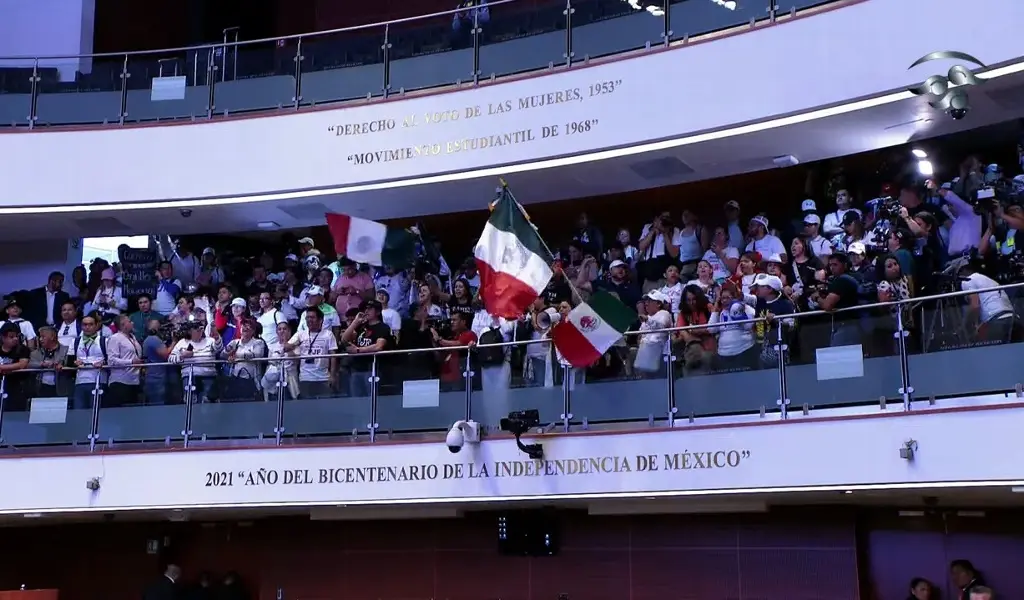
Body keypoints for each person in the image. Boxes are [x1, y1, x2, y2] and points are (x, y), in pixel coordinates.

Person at [284, 306, 338, 398]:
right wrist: (296, 343)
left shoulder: (328, 334)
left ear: (320, 320)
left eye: (312, 317)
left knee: (325, 407)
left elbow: (333, 356)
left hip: (323, 377)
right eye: (307, 317)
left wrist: (332, 376)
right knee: (307, 407)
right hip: (305, 378)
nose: (309, 320)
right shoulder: (301, 334)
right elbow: (286, 348)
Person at [341, 299, 391, 398]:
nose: (366, 311)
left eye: (369, 309)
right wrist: (355, 322)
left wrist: (358, 350)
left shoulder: (383, 327)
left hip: (372, 369)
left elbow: (379, 346)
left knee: (371, 397)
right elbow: (344, 340)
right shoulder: (361, 327)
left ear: (377, 311)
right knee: (356, 399)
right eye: (364, 309)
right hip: (357, 369)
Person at [70, 313, 108, 410]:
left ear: (96, 325)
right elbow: (68, 361)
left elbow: (110, 360)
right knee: (79, 413)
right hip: (80, 382)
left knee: (96, 412)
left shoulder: (105, 341)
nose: (87, 327)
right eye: (85, 325)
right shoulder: (75, 341)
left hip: (99, 381)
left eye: (90, 324)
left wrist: (103, 363)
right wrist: (74, 363)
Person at [105, 314, 144, 407]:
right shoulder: (115, 338)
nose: (132, 323)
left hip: (134, 381)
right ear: (123, 325)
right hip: (120, 382)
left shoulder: (133, 337)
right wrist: (131, 362)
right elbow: (111, 361)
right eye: (130, 321)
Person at [432, 311, 476, 390]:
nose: (451, 322)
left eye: (455, 320)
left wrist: (439, 340)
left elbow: (458, 344)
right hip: (445, 377)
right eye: (451, 320)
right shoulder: (453, 336)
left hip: (458, 379)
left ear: (463, 322)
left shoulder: (469, 334)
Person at [29, 326, 69, 398]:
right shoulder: (35, 353)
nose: (40, 339)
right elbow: (29, 364)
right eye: (40, 337)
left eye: (43, 337)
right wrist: (41, 364)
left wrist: (58, 364)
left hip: (60, 388)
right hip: (40, 388)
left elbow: (69, 364)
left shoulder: (66, 350)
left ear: (52, 337)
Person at [0, 321, 31, 410]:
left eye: (17, 336)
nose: (15, 339)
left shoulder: (23, 349)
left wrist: (2, 367)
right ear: (3, 338)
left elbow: (22, 364)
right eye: (11, 337)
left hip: (17, 387)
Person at [142, 319, 173, 405]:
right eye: (157, 325)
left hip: (157, 375)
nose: (160, 327)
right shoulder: (153, 339)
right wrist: (174, 341)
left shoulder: (151, 339)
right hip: (156, 378)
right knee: (157, 405)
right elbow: (165, 354)